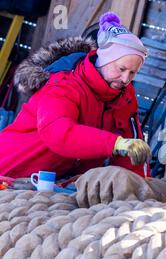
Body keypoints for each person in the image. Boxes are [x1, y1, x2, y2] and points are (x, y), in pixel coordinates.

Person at [0, 12, 151, 179]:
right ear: (104, 60)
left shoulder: (125, 97)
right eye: (121, 69)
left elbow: (132, 152)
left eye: (132, 73)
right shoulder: (64, 84)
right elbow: (59, 133)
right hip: (10, 170)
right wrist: (114, 143)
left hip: (56, 184)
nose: (125, 79)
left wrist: (139, 187)